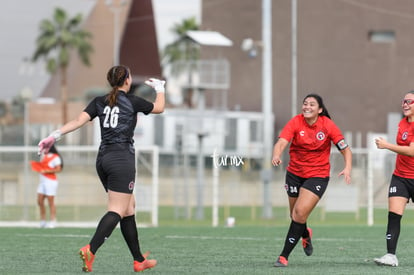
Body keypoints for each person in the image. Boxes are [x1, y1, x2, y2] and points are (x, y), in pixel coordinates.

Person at [37, 65, 165, 272]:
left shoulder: (99, 101)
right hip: (121, 159)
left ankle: (139, 260)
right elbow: (159, 108)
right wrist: (160, 88)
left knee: (128, 208)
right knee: (117, 209)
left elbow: (78, 121)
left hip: (103, 159)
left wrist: (53, 136)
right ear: (127, 81)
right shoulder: (132, 101)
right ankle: (91, 249)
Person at [271, 93, 352, 267]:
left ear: (320, 110)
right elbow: (281, 142)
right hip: (294, 173)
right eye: (305, 103)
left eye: (312, 104)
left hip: (317, 175)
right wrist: (277, 154)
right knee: (295, 215)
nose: (307, 107)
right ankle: (305, 234)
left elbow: (346, 149)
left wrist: (347, 167)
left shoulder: (328, 125)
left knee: (299, 213)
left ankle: (283, 256)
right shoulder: (295, 121)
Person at [373, 91, 414, 267]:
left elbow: (412, 151)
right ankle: (391, 255)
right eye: (403, 101)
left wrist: (386, 145)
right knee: (394, 216)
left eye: (409, 101)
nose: (404, 104)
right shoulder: (402, 123)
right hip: (400, 177)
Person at [31, 144, 63, 228]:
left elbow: (58, 169)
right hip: (42, 182)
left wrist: (47, 170)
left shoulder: (55, 157)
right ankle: (43, 220)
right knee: (40, 201)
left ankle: (53, 220)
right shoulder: (44, 156)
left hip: (50, 181)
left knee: (50, 202)